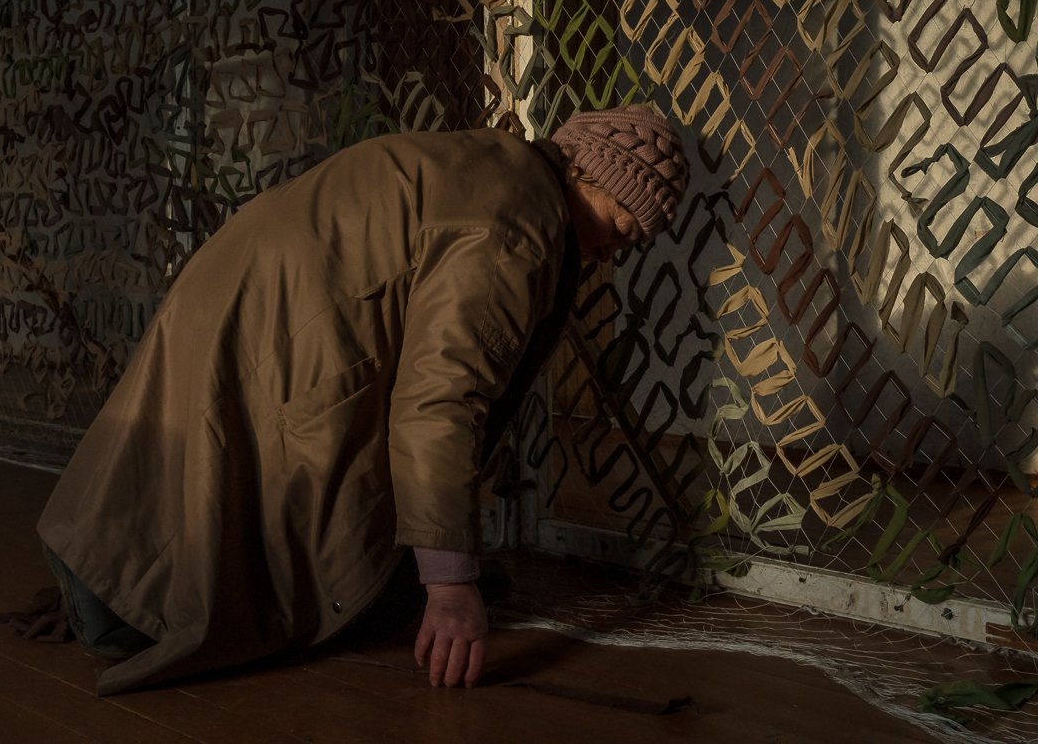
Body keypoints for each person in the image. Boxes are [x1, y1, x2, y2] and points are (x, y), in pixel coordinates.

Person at [36, 104, 688, 695]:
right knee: (265, 562)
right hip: (282, 321)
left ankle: (101, 573)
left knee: (199, 466)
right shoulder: (519, 227)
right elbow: (444, 399)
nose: (609, 253)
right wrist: (450, 585)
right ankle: (115, 603)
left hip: (246, 292)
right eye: (620, 229)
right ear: (592, 177)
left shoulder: (498, 166)